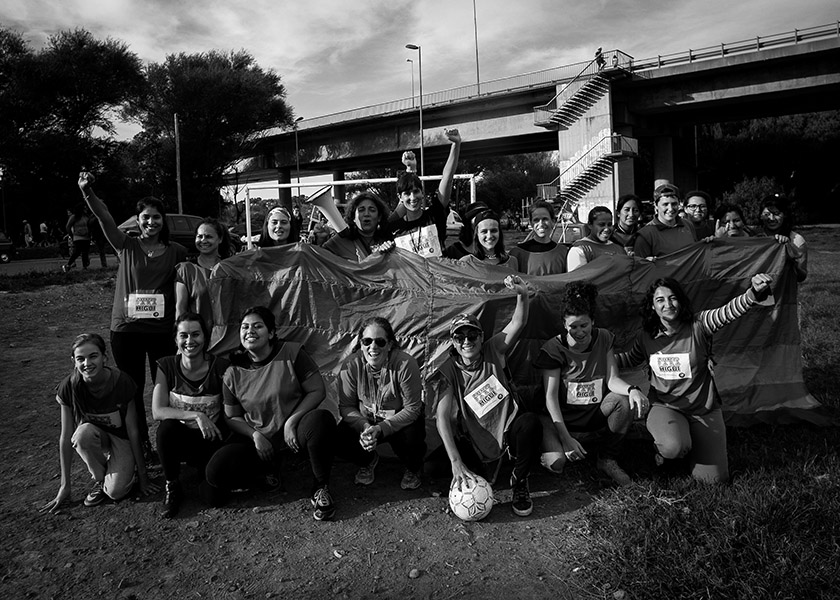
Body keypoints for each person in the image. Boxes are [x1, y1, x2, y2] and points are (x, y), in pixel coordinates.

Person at [617, 273, 774, 483]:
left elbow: (729, 312)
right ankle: (666, 453)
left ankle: (691, 447)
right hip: (665, 406)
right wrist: (592, 357)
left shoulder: (700, 324)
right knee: (673, 446)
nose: (668, 304)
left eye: (672, 298)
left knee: (713, 480)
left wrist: (754, 292)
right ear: (652, 307)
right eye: (660, 300)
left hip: (704, 409)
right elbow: (629, 359)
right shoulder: (646, 336)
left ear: (681, 301)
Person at [78, 171, 187, 463]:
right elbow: (104, 218)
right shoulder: (125, 245)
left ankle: (172, 442)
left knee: (166, 387)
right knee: (132, 390)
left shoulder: (177, 252)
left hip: (162, 331)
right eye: (145, 217)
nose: (151, 222)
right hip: (126, 332)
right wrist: (87, 191)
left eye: (156, 217)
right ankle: (142, 446)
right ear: (137, 220)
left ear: (164, 221)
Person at [203, 306, 338, 520]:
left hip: (294, 435)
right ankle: (266, 473)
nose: (250, 331)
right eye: (245, 327)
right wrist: (255, 436)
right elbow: (232, 417)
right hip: (259, 442)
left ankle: (320, 487)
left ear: (271, 333)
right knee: (215, 473)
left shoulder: (291, 353)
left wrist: (291, 422)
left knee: (321, 420)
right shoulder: (233, 372)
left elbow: (317, 390)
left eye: (258, 326)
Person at [433, 275, 542, 517]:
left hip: (508, 432)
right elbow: (441, 417)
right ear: (453, 342)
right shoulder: (448, 370)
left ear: (481, 338)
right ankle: (472, 481)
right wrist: (455, 461)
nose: (466, 342)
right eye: (460, 337)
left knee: (530, 423)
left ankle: (520, 481)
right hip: (474, 441)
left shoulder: (494, 350)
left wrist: (522, 293)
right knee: (432, 468)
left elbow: (518, 323)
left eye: (472, 336)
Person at [534, 282, 646, 486]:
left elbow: (612, 380)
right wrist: (566, 438)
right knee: (556, 464)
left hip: (592, 413)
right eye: (573, 327)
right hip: (559, 419)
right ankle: (554, 444)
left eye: (584, 325)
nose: (579, 332)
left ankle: (607, 458)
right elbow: (550, 398)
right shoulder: (553, 349)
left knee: (623, 399)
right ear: (564, 325)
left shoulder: (604, 338)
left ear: (593, 322)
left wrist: (633, 390)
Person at [40, 334, 157, 513]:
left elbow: (133, 431)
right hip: (96, 437)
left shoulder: (122, 382)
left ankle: (123, 470)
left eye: (93, 356)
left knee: (116, 492)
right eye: (80, 358)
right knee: (81, 435)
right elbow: (65, 437)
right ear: (73, 361)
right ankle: (100, 478)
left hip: (121, 439)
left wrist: (143, 475)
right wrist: (65, 485)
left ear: (104, 357)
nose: (87, 363)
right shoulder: (69, 386)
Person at [152, 313, 230, 518]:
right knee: (166, 428)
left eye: (195, 334)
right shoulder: (166, 365)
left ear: (205, 337)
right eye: (183, 335)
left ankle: (205, 471)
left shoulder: (221, 367)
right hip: (180, 438)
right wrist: (196, 415)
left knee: (214, 499)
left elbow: (231, 410)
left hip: (211, 440)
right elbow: (157, 411)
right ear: (176, 339)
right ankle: (172, 485)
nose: (189, 341)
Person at [336, 317, 426, 490]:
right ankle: (368, 460)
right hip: (367, 421)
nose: (373, 347)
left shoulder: (405, 364)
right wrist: (364, 427)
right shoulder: (351, 365)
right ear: (361, 344)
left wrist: (381, 428)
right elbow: (346, 406)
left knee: (413, 437)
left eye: (380, 341)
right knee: (339, 438)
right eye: (367, 341)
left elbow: (413, 408)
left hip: (399, 421)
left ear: (390, 344)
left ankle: (413, 468)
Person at [388, 128, 461, 257]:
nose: (413, 197)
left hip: (439, 275)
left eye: (416, 192)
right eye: (407, 194)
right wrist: (410, 170)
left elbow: (447, 179)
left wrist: (456, 145)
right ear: (400, 197)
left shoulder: (434, 216)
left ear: (422, 193)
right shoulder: (394, 227)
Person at [175, 218, 232, 326]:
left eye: (209, 237)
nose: (203, 240)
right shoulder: (186, 270)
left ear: (220, 239)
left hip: (227, 337)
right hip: (197, 335)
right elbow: (180, 308)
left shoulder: (229, 269)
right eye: (200, 236)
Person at [319, 191, 394, 261]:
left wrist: (389, 253)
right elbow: (317, 259)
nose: (366, 214)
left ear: (379, 217)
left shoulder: (387, 241)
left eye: (372, 210)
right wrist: (319, 239)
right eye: (361, 210)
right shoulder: (340, 240)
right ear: (353, 217)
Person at [634, 184, 697, 259]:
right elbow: (640, 266)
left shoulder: (688, 225)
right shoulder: (646, 235)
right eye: (665, 204)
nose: (670, 209)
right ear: (656, 205)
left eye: (674, 204)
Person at [510, 200, 569, 275]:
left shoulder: (563, 252)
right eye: (536, 220)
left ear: (553, 221)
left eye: (545, 219)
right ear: (531, 223)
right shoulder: (518, 253)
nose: (541, 224)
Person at [758, 195, 807, 282]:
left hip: (783, 292)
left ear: (785, 215)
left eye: (777, 214)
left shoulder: (797, 240)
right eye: (767, 214)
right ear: (761, 216)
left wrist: (790, 259)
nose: (771, 218)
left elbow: (802, 276)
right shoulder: (754, 236)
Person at [566, 206, 624, 271]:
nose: (606, 229)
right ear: (590, 225)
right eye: (601, 225)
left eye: (609, 224)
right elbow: (577, 278)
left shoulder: (619, 249)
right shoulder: (579, 249)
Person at [62, 204, 92, 271]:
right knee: (77, 251)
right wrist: (71, 234)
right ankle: (68, 264)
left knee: (85, 252)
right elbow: (68, 226)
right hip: (78, 236)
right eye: (84, 208)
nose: (86, 210)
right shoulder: (74, 217)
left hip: (86, 236)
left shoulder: (86, 217)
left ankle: (85, 266)